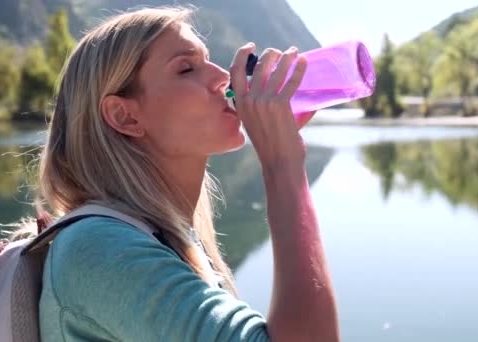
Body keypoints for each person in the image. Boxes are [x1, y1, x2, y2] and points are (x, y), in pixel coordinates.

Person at [26, 6, 339, 342]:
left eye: (208, 60)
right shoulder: (99, 250)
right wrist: (283, 166)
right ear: (125, 116)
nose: (223, 76)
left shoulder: (165, 238)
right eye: (186, 68)